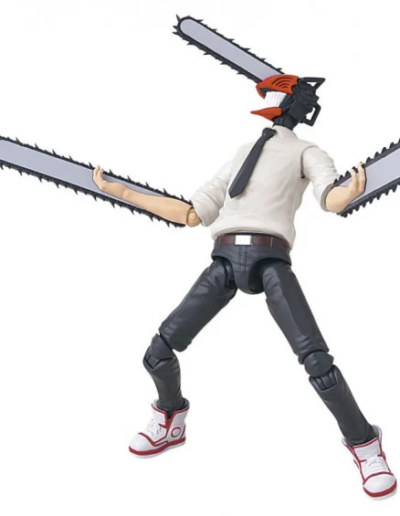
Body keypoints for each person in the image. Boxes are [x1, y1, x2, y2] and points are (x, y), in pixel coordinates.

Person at [92, 75, 397, 499]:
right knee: (158, 351)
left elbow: (328, 197)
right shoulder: (241, 152)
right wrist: (122, 191)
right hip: (223, 258)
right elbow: (191, 213)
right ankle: (170, 416)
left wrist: (348, 193)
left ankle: (364, 443)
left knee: (317, 362)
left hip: (271, 260)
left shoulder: (307, 151)